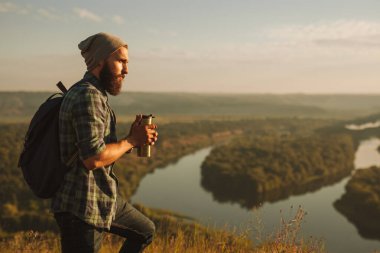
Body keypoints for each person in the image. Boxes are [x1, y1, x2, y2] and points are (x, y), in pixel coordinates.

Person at [51, 32, 158, 253]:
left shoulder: (96, 95)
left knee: (145, 230)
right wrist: (131, 140)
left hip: (102, 199)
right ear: (101, 61)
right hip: (81, 206)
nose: (126, 70)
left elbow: (97, 147)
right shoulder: (87, 96)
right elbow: (93, 158)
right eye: (121, 61)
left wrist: (132, 141)